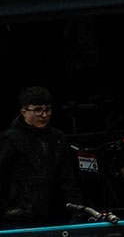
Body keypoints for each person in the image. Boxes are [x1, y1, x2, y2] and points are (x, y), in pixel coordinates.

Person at [0, 88, 83, 228]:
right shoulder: (9, 139)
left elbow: (68, 180)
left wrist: (76, 212)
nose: (44, 115)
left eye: (48, 110)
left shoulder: (58, 139)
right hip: (15, 217)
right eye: (38, 110)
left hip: (52, 216)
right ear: (23, 112)